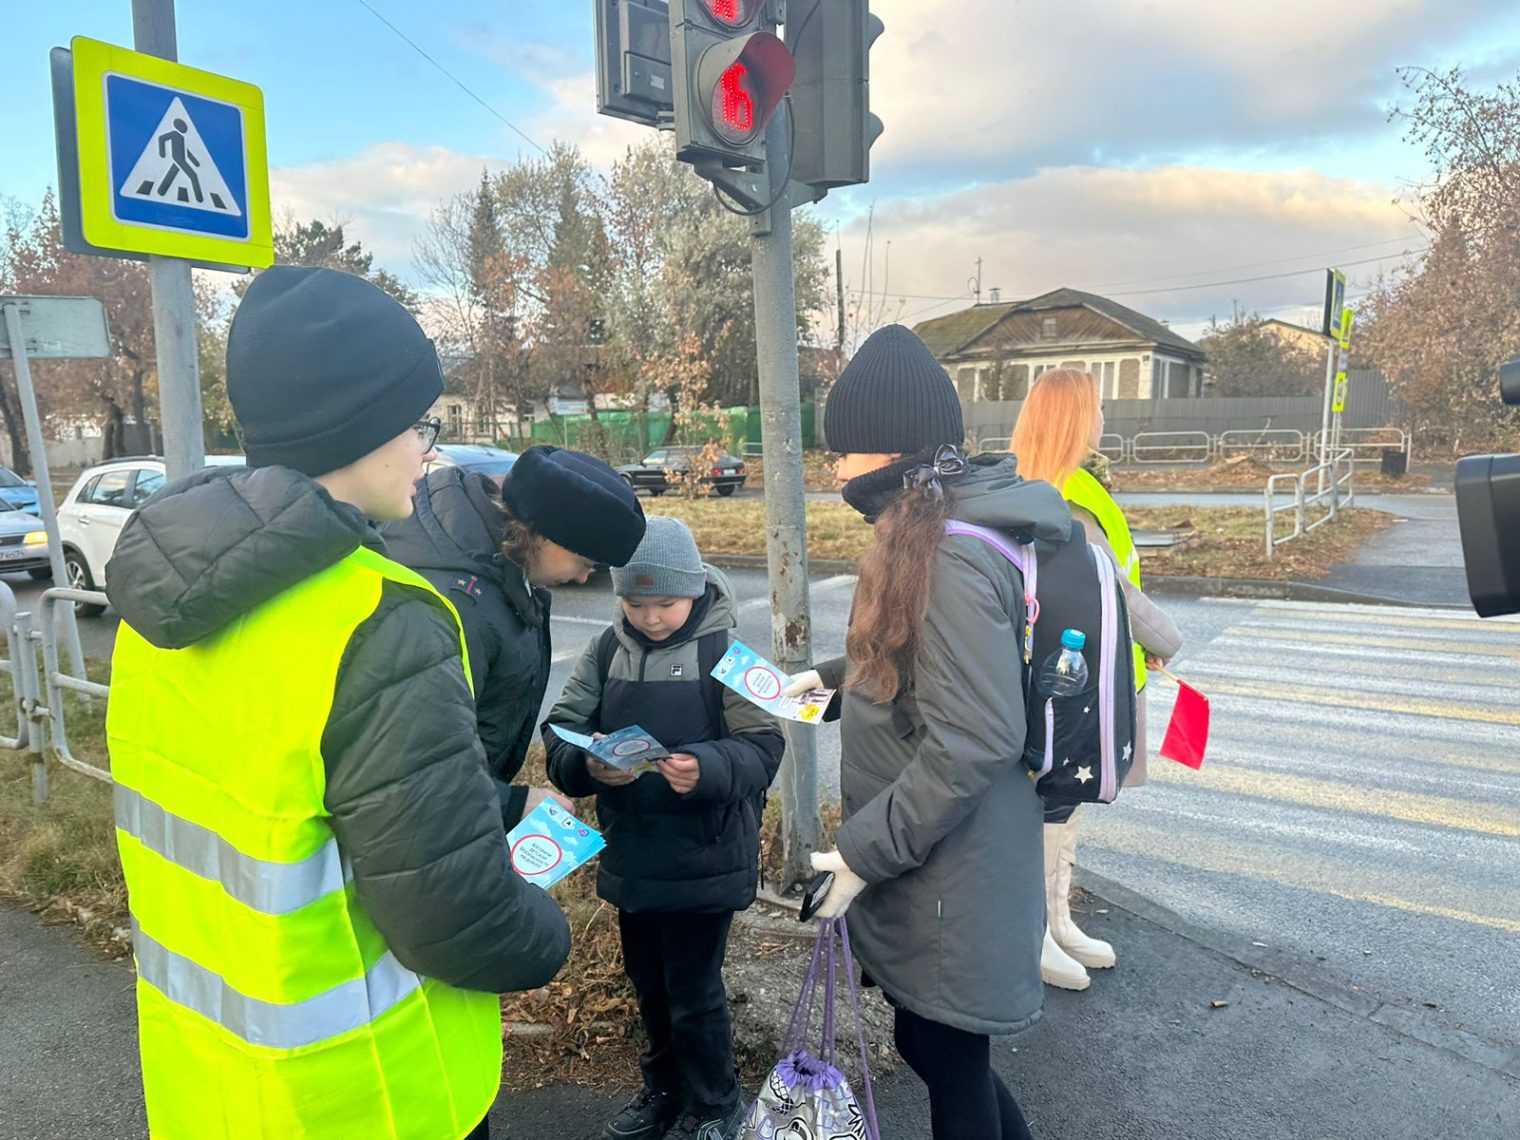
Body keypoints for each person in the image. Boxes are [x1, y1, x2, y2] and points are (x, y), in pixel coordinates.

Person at [103, 266, 571, 1140]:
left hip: (207, 1082)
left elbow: (281, 805)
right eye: (420, 425)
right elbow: (457, 919)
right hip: (363, 1095)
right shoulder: (380, 618)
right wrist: (548, 933)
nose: (430, 451)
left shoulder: (159, 604)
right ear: (361, 431)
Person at [801, 325, 1071, 1140]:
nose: (836, 469)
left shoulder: (947, 552)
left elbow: (974, 737)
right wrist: (838, 677)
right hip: (953, 854)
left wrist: (859, 852)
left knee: (946, 1057)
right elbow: (943, 670)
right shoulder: (938, 526)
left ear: (888, 451)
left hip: (958, 865)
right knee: (935, 1044)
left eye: (843, 451)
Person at [543, 516, 785, 1140]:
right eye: (635, 602)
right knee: (648, 984)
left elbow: (764, 745)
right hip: (633, 851)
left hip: (707, 854)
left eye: (667, 603)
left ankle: (714, 1104)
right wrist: (586, 763)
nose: (651, 618)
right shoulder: (605, 650)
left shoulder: (727, 651)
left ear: (697, 589)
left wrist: (706, 766)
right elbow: (563, 726)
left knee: (695, 990)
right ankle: (662, 1092)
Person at [1010, 368, 1183, 991]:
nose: (1105, 421)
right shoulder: (1067, 494)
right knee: (1057, 798)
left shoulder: (1041, 482)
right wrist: (1165, 641)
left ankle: (1055, 922)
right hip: (1082, 674)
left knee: (1065, 800)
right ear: (1075, 419)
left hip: (1083, 667)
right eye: (1098, 410)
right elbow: (1114, 588)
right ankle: (1036, 932)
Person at [381, 446, 647, 829]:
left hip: (460, 813)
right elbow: (407, 765)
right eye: (585, 563)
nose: (583, 578)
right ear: (546, 535)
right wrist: (509, 804)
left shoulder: (511, 574)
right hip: (428, 829)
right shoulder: (460, 604)